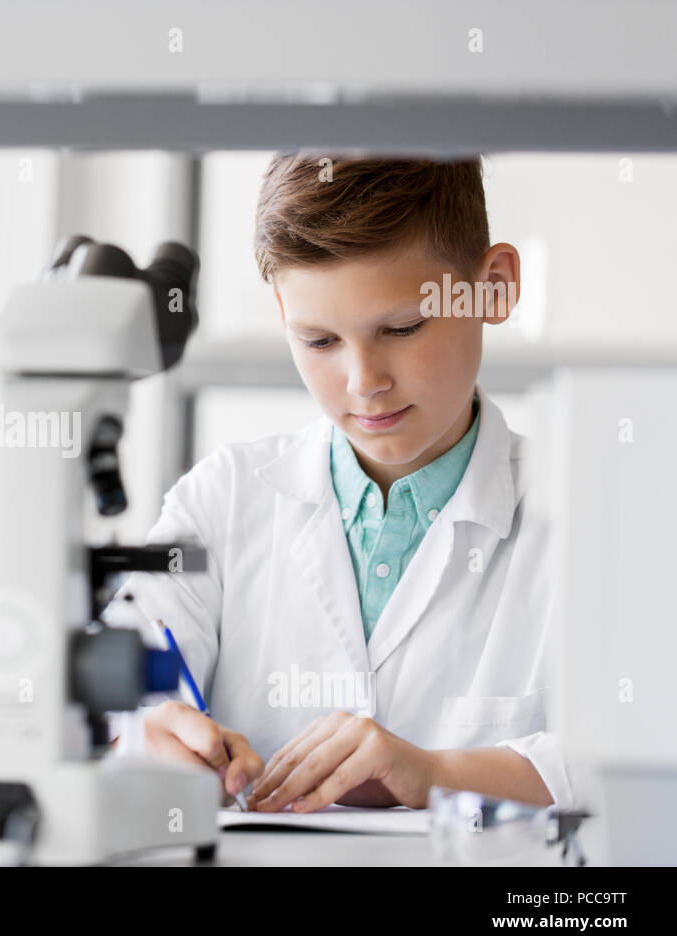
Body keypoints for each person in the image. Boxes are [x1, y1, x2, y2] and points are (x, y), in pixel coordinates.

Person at [107, 155, 572, 812]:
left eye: (403, 328)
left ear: (492, 288)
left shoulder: (586, 518)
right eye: (319, 340)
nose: (364, 382)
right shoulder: (222, 499)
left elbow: (641, 757)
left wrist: (436, 772)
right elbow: (124, 678)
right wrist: (153, 730)